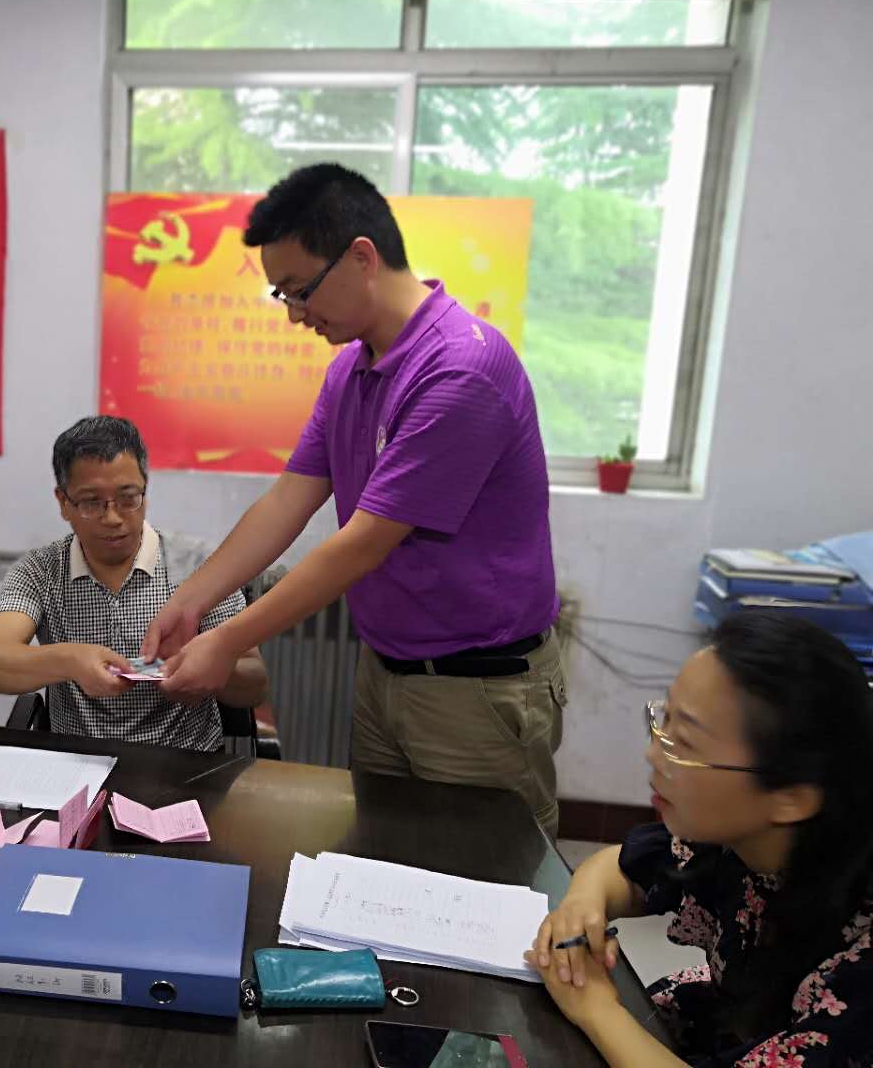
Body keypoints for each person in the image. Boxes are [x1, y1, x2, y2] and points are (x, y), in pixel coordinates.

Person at [142, 163, 565, 835]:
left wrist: (229, 640)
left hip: (476, 688)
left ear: (362, 257)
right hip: (384, 669)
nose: (294, 314)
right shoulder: (352, 368)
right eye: (281, 295)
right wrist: (192, 600)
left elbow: (362, 544)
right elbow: (289, 498)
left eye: (300, 290)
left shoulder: (460, 370)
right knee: (386, 852)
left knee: (480, 869)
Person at [526, 613, 873, 1066]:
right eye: (663, 720)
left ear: (791, 798)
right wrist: (581, 906)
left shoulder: (860, 964)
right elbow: (618, 867)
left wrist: (596, 1008)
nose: (654, 754)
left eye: (685, 744)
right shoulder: (738, 837)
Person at [0, 416, 268, 752]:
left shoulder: (201, 566)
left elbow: (255, 683)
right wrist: (70, 660)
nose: (112, 518)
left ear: (145, 490)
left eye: (128, 498)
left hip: (185, 761)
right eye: (91, 502)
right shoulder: (40, 571)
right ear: (64, 503)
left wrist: (211, 670)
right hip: (78, 761)